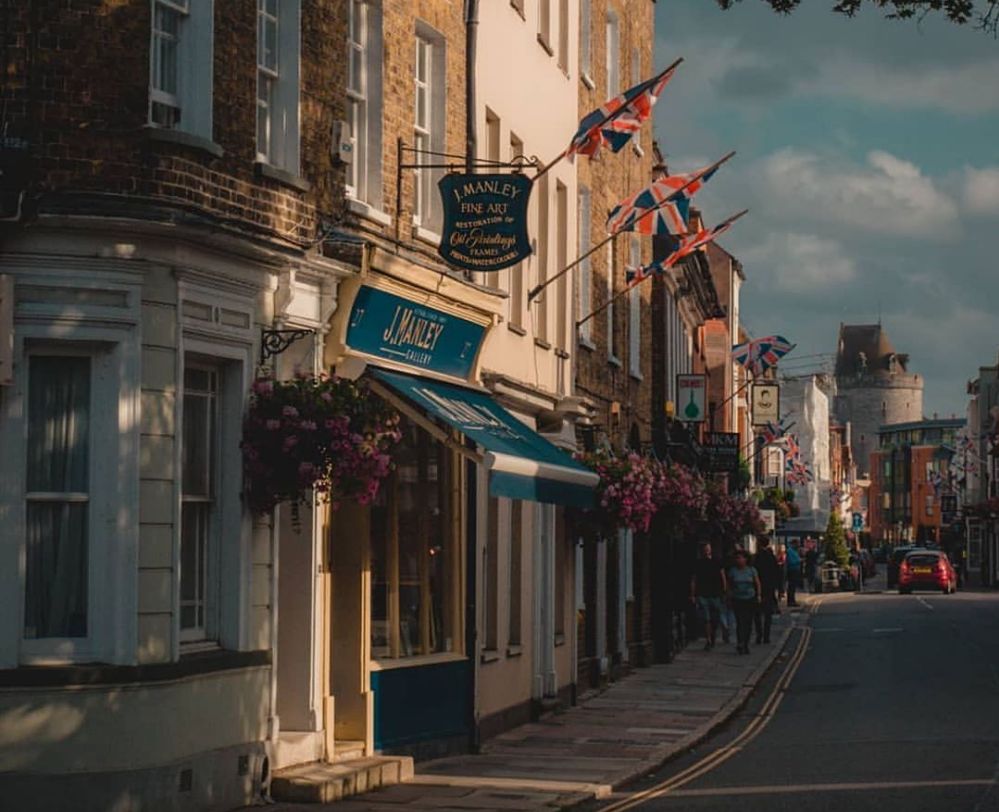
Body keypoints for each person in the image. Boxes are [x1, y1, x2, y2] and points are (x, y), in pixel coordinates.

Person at [690, 542, 727, 650]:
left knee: (715, 618)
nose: (706, 551)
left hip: (715, 593)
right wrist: (693, 594)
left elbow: (723, 576)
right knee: (706, 619)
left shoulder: (717, 561)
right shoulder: (698, 563)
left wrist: (724, 590)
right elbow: (694, 579)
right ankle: (709, 640)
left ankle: (713, 635)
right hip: (703, 593)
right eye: (704, 549)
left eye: (708, 549)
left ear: (711, 550)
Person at [727, 549, 761, 655]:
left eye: (741, 558)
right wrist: (728, 596)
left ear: (746, 559)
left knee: (748, 622)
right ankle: (740, 643)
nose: (739, 560)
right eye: (737, 558)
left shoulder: (751, 570)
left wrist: (759, 595)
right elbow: (729, 584)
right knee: (740, 622)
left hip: (750, 599)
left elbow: (757, 583)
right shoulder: (733, 571)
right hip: (737, 599)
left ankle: (745, 643)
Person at [753, 536, 780, 644]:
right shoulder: (771, 557)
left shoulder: (756, 557)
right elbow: (777, 572)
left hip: (758, 588)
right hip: (769, 588)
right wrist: (779, 588)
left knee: (757, 614)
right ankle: (766, 636)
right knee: (768, 614)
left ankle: (759, 635)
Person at [785, 539, 802, 607]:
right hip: (792, 570)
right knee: (791, 586)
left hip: (795, 570)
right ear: (794, 544)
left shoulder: (795, 551)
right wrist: (799, 560)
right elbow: (791, 561)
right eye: (797, 543)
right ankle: (790, 601)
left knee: (793, 587)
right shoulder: (790, 551)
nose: (798, 545)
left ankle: (792, 600)